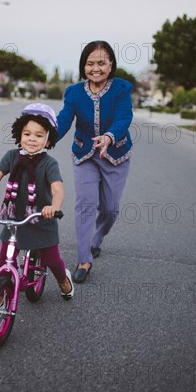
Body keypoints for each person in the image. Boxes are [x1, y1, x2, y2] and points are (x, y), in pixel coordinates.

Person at [0, 103, 74, 301]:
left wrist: (54, 207)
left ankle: (63, 280)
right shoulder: (12, 156)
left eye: (39, 135)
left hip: (42, 219)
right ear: (19, 134)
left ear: (48, 139)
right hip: (14, 220)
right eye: (27, 134)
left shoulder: (49, 163)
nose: (32, 139)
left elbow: (57, 188)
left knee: (52, 259)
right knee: (5, 259)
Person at [57, 41, 133, 283]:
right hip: (84, 155)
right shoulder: (74, 92)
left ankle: (97, 239)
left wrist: (109, 137)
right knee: (85, 204)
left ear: (111, 65)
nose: (95, 68)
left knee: (109, 209)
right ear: (83, 66)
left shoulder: (121, 89)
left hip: (116, 155)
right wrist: (43, 139)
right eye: (90, 63)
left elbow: (124, 117)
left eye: (101, 62)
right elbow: (63, 121)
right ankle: (84, 259)